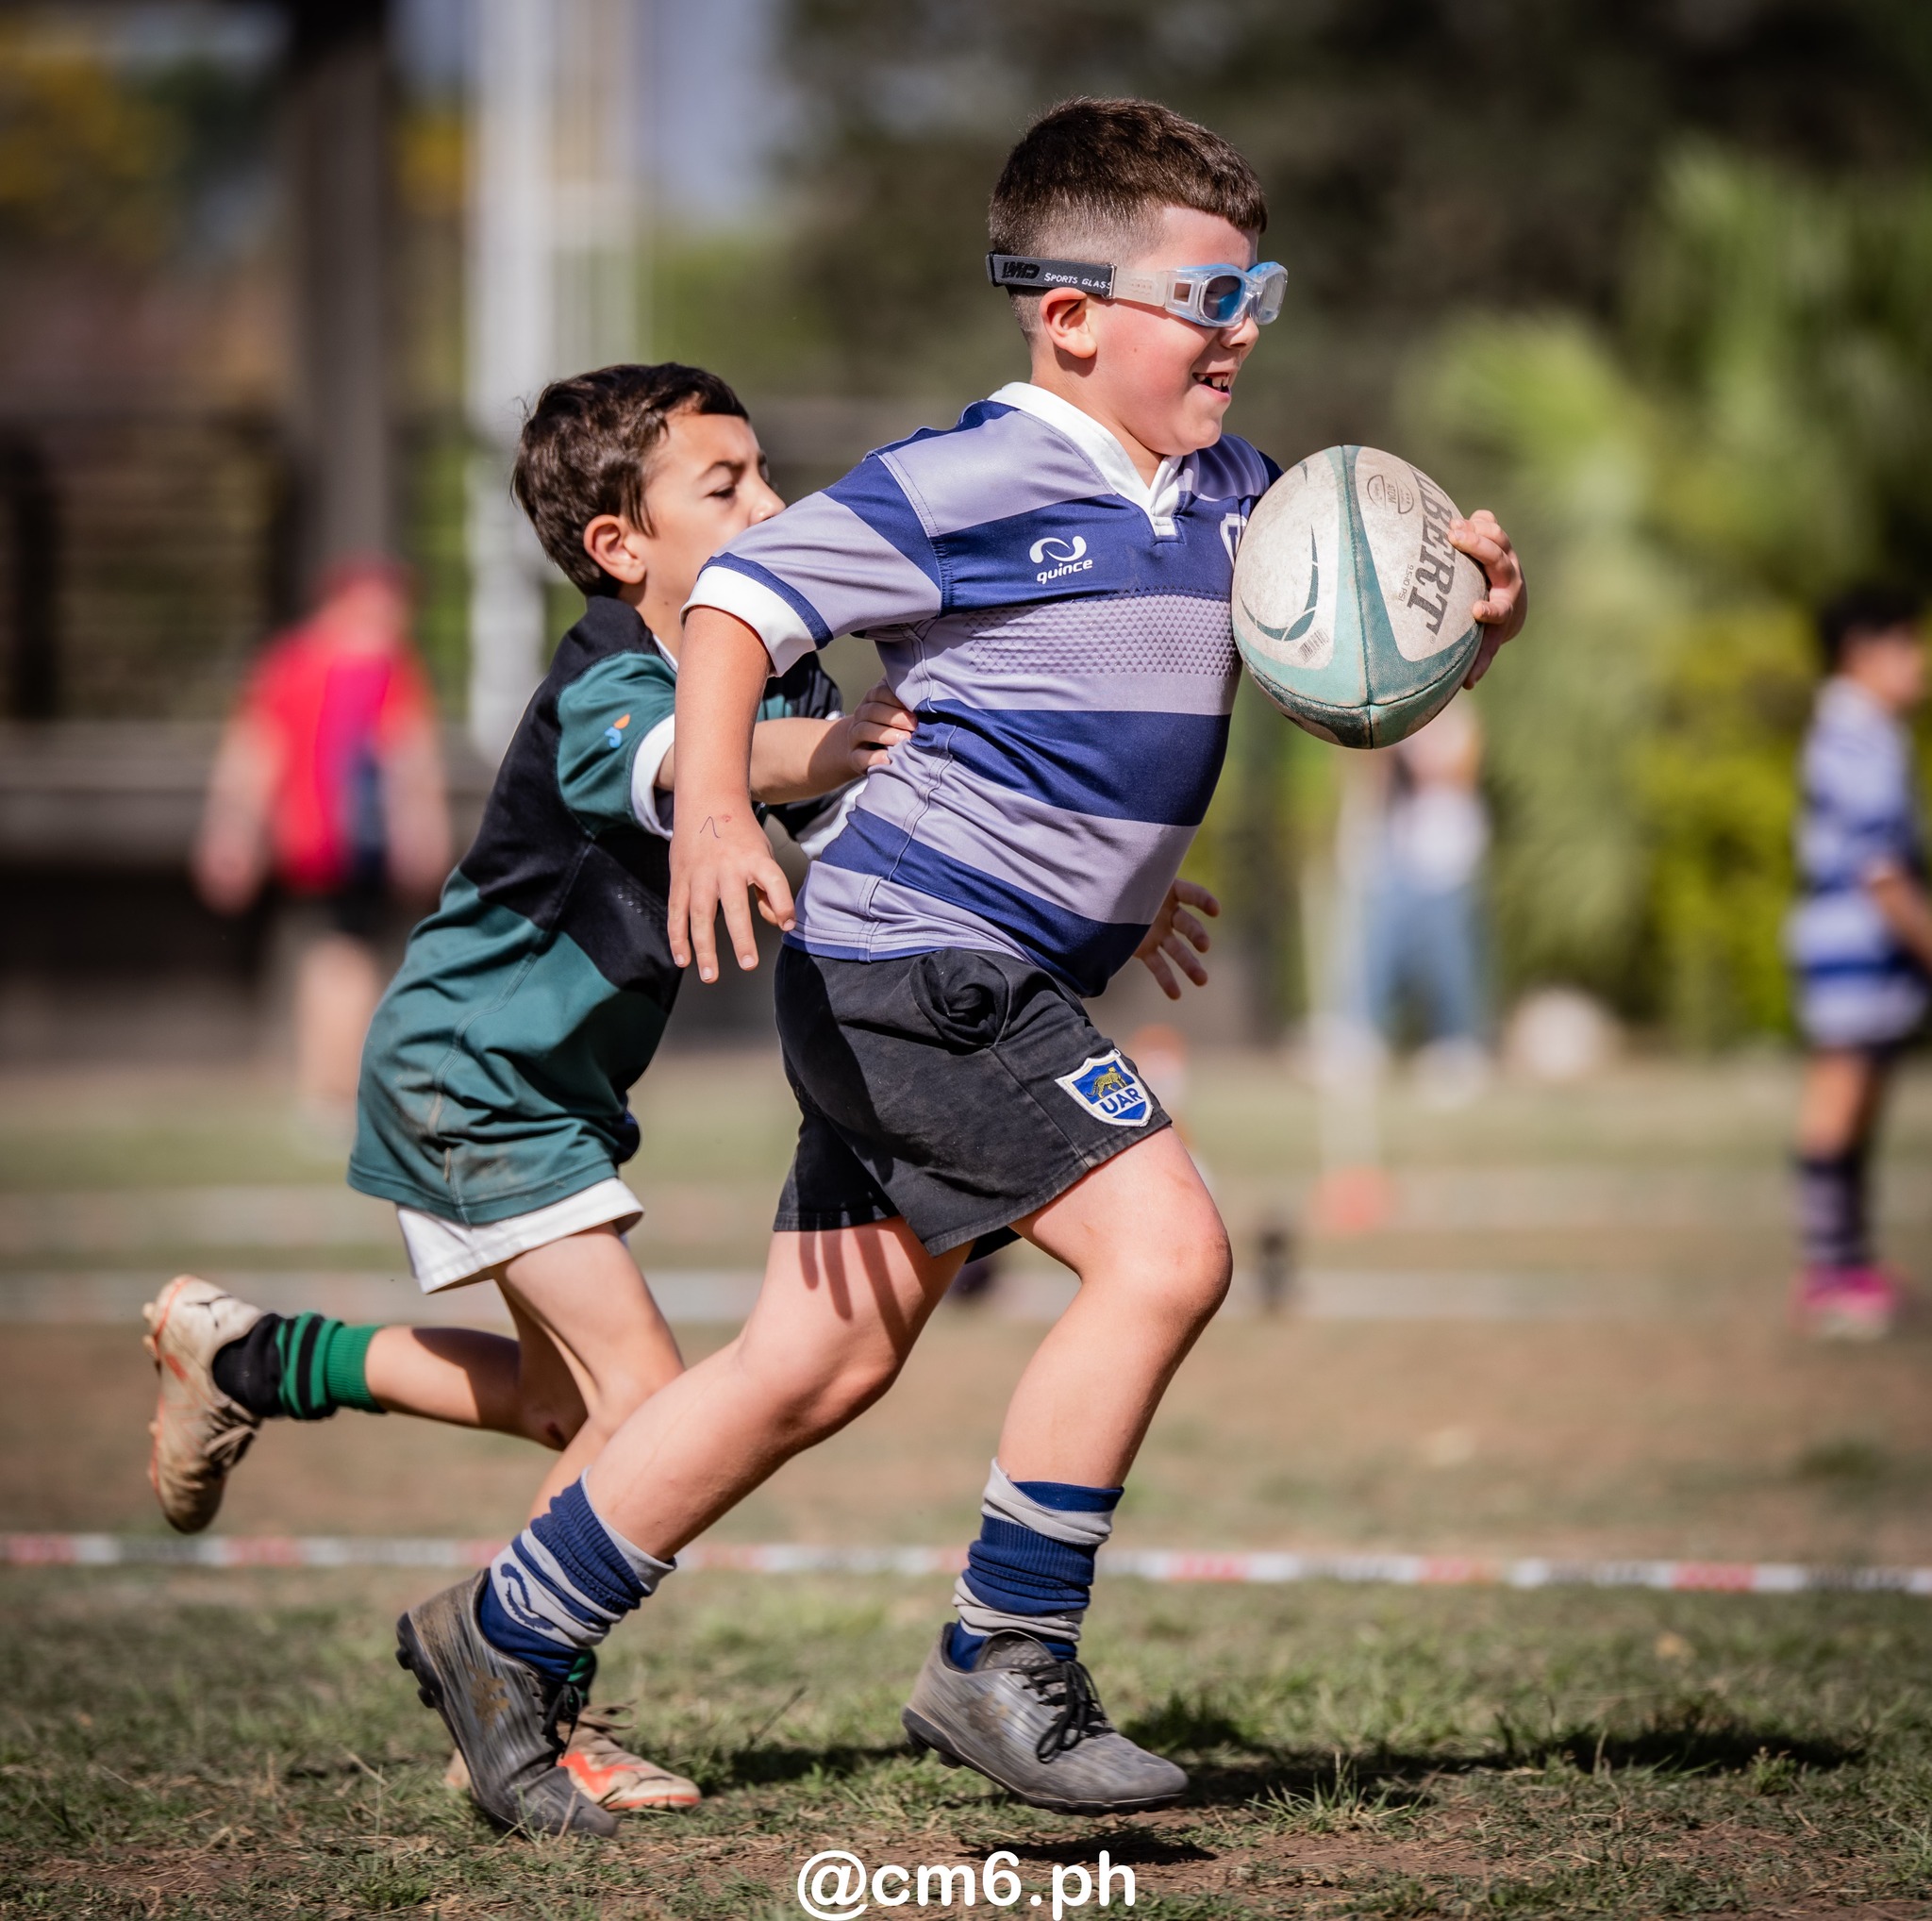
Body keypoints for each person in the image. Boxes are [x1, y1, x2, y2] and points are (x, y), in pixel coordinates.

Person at [389, 98, 1526, 1839]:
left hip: (978, 964)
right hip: (914, 959)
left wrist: (1458, 637)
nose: (1240, 332)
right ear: (1069, 313)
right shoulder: (969, 477)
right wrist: (707, 809)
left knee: (812, 1364)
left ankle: (503, 1632)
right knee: (1167, 1250)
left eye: (1255, 294)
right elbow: (736, 607)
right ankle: (1005, 1653)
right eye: (1206, 298)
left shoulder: (1235, 495)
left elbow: (1286, 679)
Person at [143, 362, 916, 1825]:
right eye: (726, 485)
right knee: (652, 1403)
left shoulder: (775, 667)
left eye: (763, 473)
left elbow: (860, 805)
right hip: (471, 1073)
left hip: (536, 1088)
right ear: (623, 546)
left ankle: (245, 1360)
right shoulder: (616, 685)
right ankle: (519, 1705)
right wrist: (843, 742)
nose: (770, 504)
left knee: (586, 1409)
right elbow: (704, 769)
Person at [193, 559, 451, 1125]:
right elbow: (409, 757)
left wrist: (232, 829)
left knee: (327, 958)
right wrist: (424, 829)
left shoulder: (287, 660)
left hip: (306, 844)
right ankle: (338, 1090)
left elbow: (253, 750)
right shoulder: (381, 668)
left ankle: (325, 1085)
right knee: (348, 959)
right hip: (354, 844)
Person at [1786, 584, 1930, 1338]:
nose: (1919, 661)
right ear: (1860, 653)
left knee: (1864, 1106)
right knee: (1837, 1105)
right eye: (1906, 643)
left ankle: (1851, 1259)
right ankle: (1828, 1272)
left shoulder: (1869, 729)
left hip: (1867, 954)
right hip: (1848, 949)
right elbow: (1880, 868)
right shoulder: (1852, 733)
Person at [1341, 698, 1491, 1103]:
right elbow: (1372, 779)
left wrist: (1414, 754)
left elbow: (1459, 771)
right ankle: (1363, 1038)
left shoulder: (1458, 716)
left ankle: (1457, 1045)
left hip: (1446, 858)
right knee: (1378, 955)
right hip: (1397, 854)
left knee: (1449, 962)